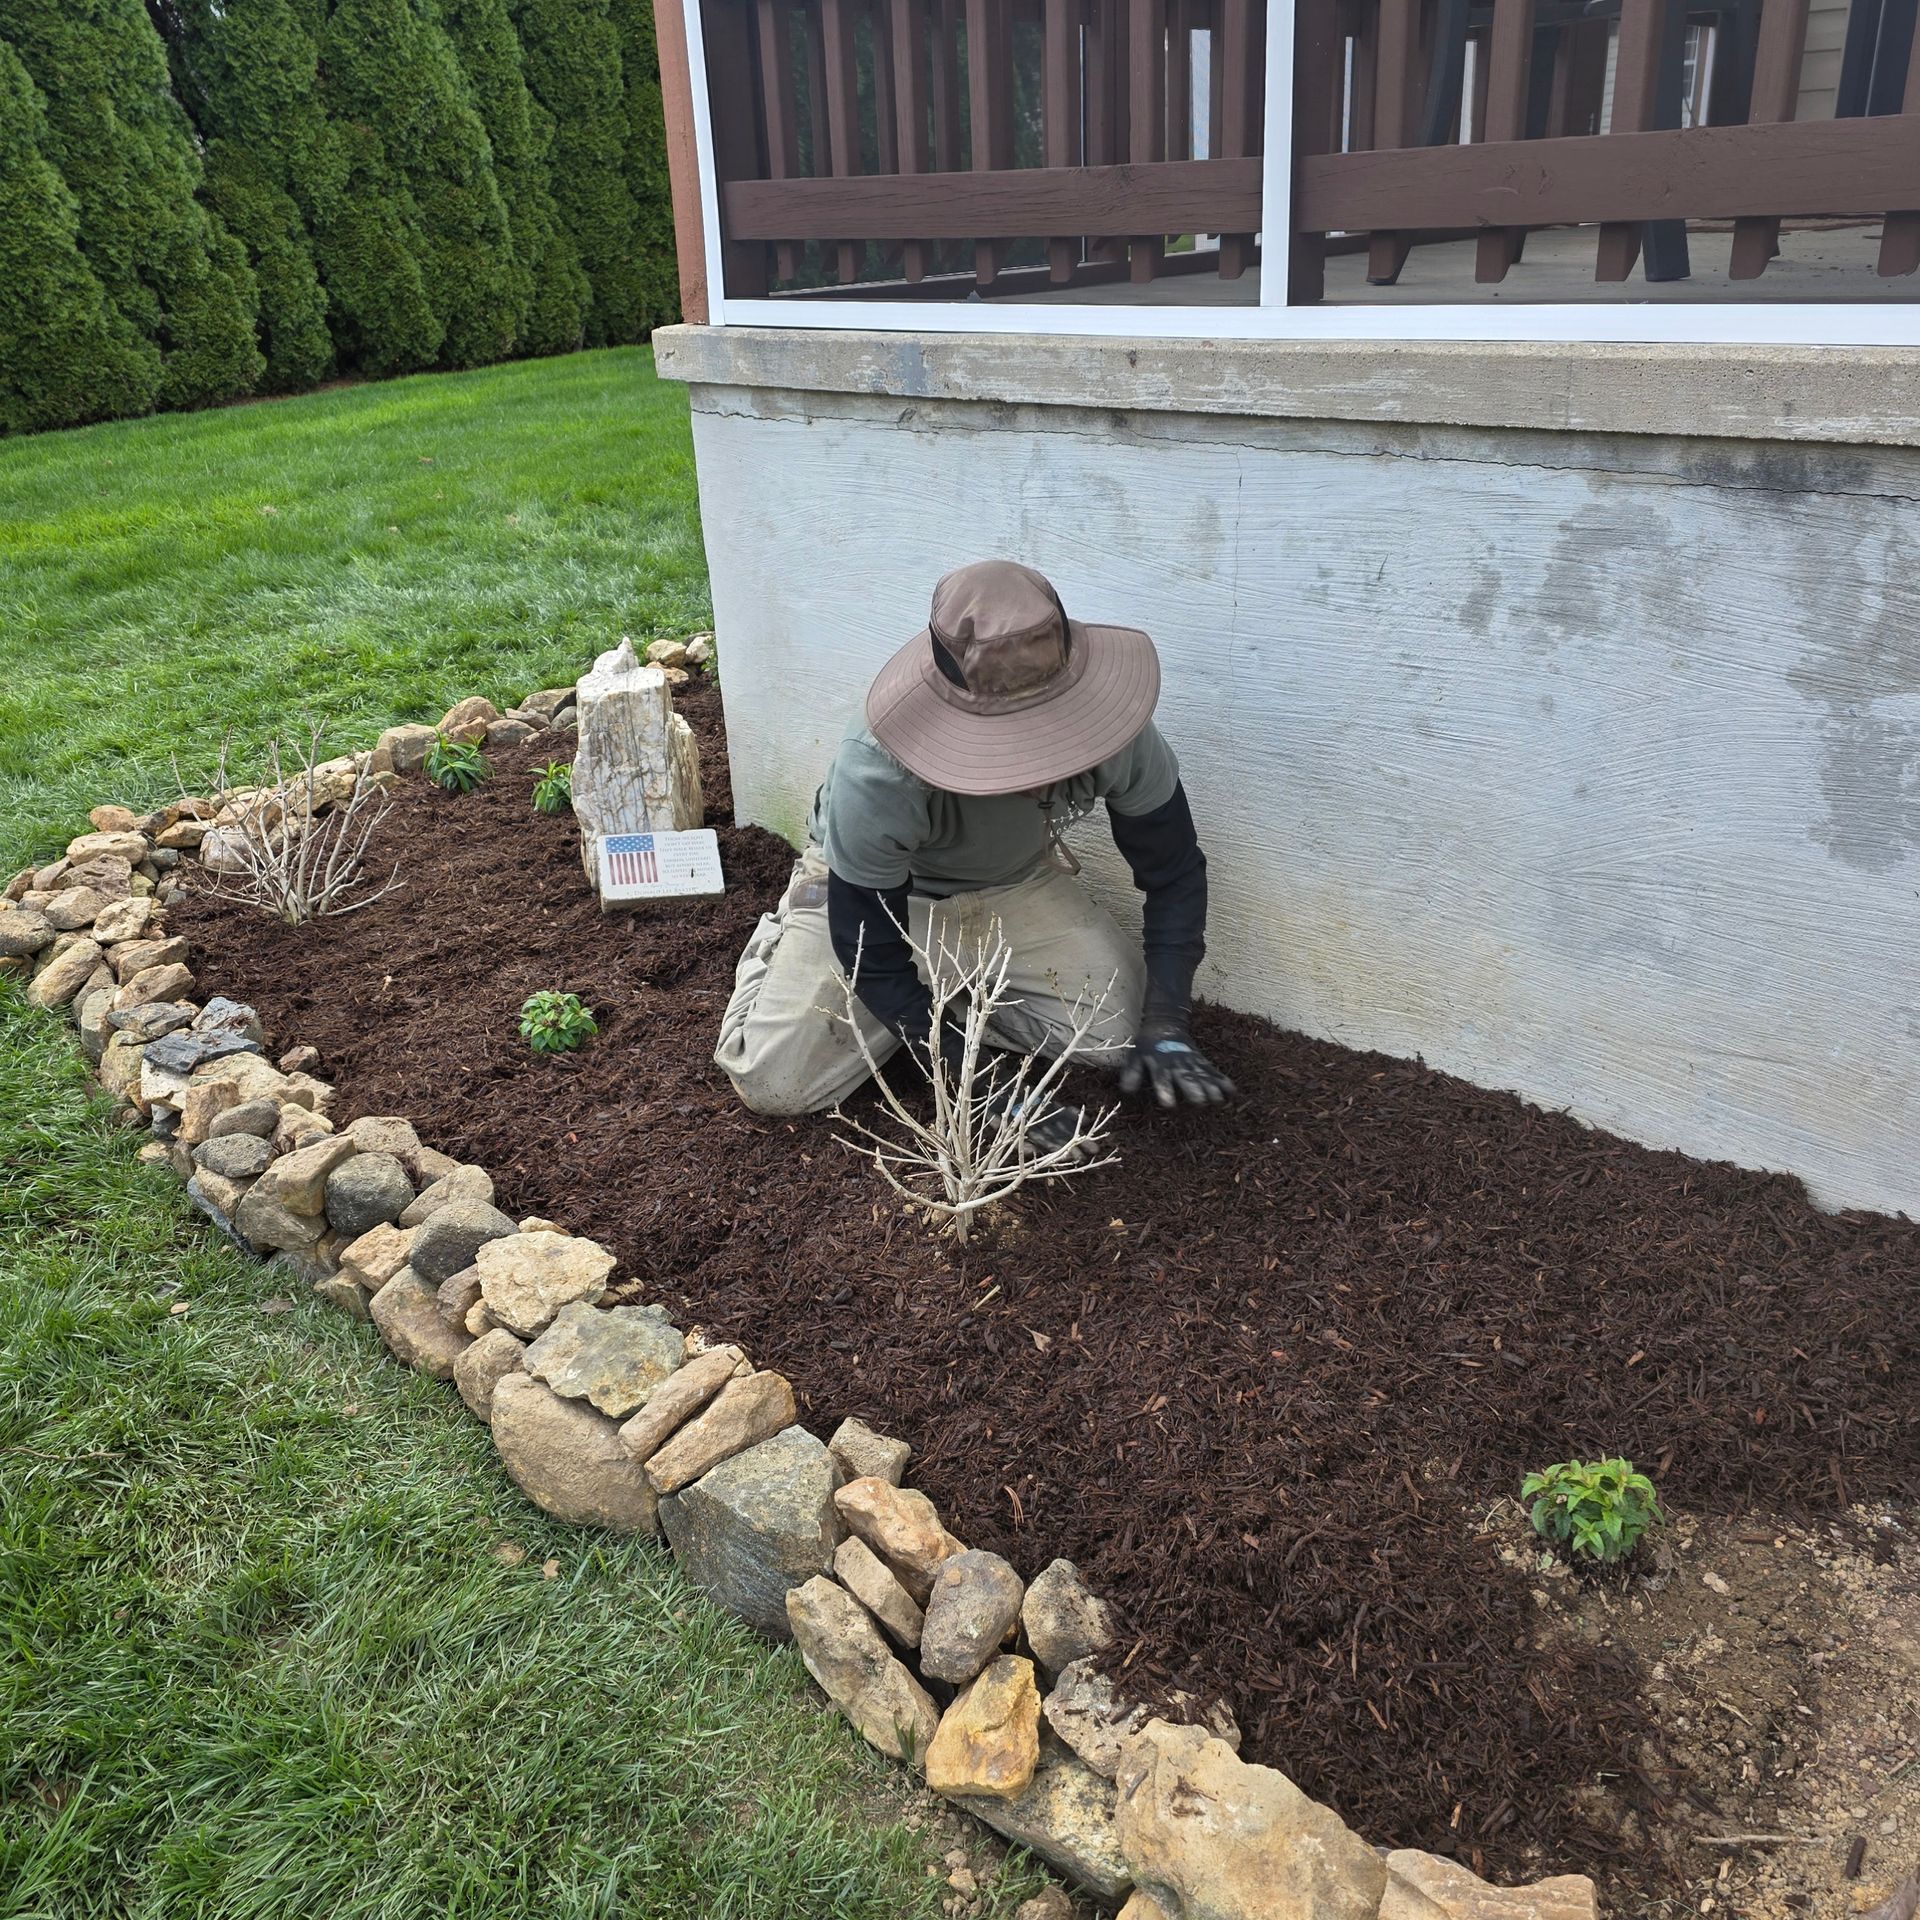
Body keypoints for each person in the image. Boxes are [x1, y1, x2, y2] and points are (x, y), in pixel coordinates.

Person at [714, 559, 1233, 1137]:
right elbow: (870, 941)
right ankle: (790, 942)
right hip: (891, 902)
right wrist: (981, 1087)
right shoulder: (881, 764)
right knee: (772, 1080)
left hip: (1012, 884)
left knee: (1118, 1034)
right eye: (1012, 738)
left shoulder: (1118, 726)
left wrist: (1167, 1021)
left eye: (1055, 724)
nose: (1040, 760)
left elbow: (1174, 871)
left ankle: (940, 1002)